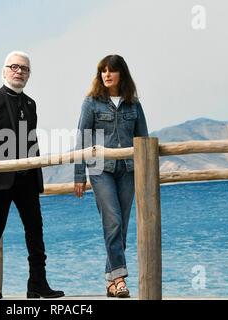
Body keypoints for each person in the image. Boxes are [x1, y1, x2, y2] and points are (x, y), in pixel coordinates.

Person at [0, 51, 64, 299]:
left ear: (29, 74)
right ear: (4, 71)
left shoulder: (31, 104)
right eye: (14, 67)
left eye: (24, 68)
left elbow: (30, 140)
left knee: (35, 230)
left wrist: (38, 173)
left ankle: (37, 284)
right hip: (0, 177)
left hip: (27, 178)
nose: (19, 71)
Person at [74, 54, 148, 298]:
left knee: (122, 225)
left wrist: (145, 174)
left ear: (121, 74)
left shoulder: (133, 104)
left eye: (112, 71)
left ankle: (111, 280)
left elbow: (143, 140)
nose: (107, 74)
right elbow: (82, 139)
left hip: (127, 170)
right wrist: (79, 176)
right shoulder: (91, 103)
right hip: (99, 169)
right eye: (103, 71)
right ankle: (119, 279)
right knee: (113, 220)